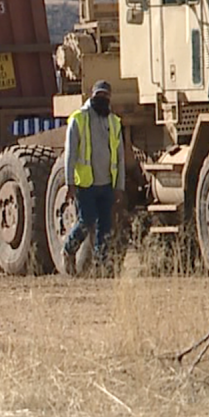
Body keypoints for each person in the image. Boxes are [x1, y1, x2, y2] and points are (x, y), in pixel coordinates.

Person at [62, 79, 124, 274]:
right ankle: (68, 249)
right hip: (85, 184)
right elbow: (70, 154)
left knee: (105, 228)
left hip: (106, 185)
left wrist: (119, 186)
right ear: (92, 96)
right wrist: (69, 183)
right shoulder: (78, 119)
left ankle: (101, 266)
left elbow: (120, 157)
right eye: (99, 96)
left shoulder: (114, 122)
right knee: (87, 220)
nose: (103, 99)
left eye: (106, 96)